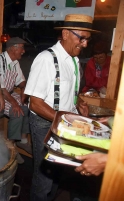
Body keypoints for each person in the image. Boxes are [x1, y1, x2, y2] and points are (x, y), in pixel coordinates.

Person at [24, 14, 98, 201]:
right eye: (81, 37)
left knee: (57, 174)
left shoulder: (73, 61)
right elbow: (35, 103)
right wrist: (66, 121)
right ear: (65, 34)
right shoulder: (46, 59)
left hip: (63, 124)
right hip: (44, 125)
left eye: (87, 39)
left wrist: (77, 103)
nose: (85, 44)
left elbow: (67, 92)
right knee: (43, 180)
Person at [0, 37, 32, 156]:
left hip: (9, 93)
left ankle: (22, 141)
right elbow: (1, 89)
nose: (23, 51)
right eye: (22, 48)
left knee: (27, 107)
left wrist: (24, 88)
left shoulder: (15, 62)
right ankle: (10, 145)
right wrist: (14, 103)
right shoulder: (0, 61)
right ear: (13, 48)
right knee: (16, 111)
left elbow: (21, 80)